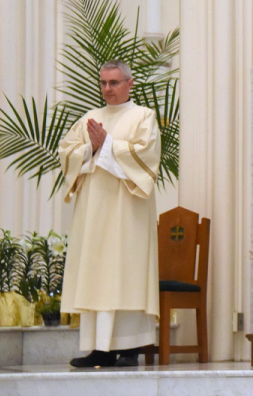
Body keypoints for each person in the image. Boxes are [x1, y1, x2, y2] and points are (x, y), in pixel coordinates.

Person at [58, 60, 160, 368]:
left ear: (130, 84)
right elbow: (68, 151)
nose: (107, 89)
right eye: (103, 83)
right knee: (97, 272)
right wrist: (90, 148)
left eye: (114, 83)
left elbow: (147, 156)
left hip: (128, 212)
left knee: (124, 272)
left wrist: (108, 144)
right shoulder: (90, 118)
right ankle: (98, 348)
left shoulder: (144, 116)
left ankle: (129, 348)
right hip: (93, 211)